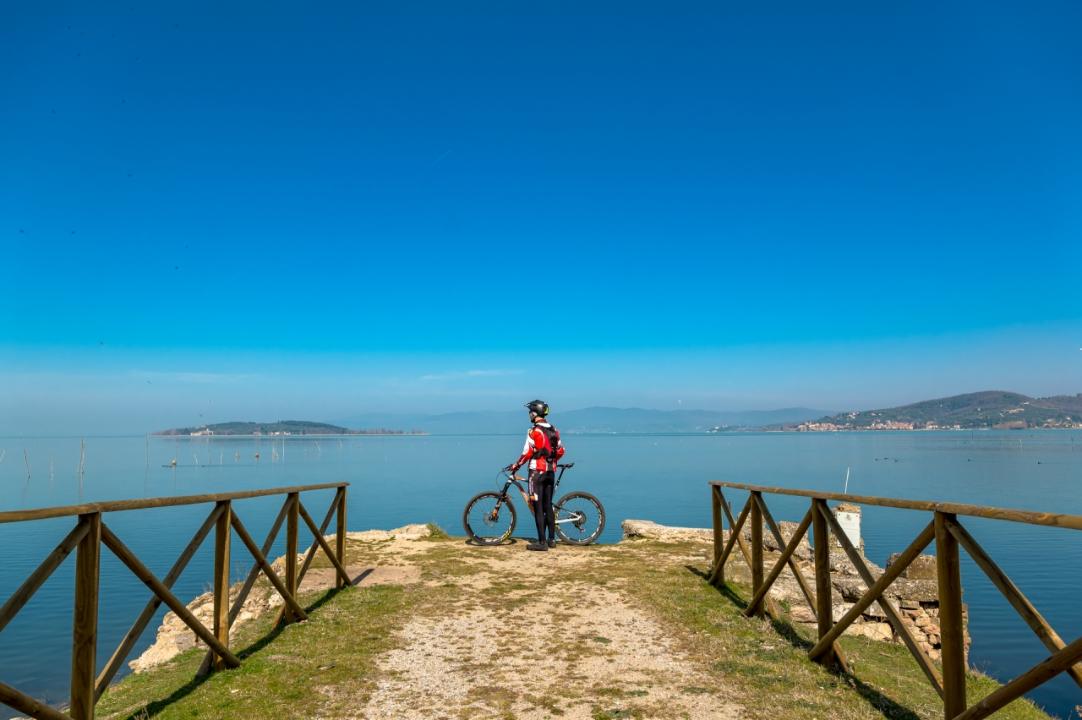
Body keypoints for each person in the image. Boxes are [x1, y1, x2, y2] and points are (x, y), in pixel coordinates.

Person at [506, 399, 564, 551]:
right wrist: (551, 461)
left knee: (538, 508)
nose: (529, 415)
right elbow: (561, 451)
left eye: (529, 412)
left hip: (536, 474)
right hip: (550, 472)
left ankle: (542, 543)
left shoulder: (533, 431)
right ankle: (552, 540)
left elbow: (527, 453)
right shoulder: (554, 429)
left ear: (534, 413)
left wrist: (515, 465)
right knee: (548, 506)